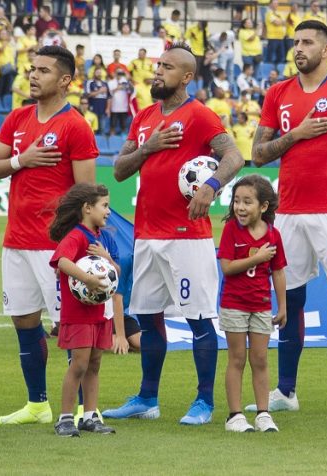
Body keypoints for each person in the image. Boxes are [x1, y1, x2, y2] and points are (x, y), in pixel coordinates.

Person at [104, 43, 244, 425]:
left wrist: (211, 185)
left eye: (166, 67)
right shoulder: (145, 117)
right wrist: (148, 148)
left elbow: (234, 156)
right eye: (157, 65)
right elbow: (119, 170)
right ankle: (147, 398)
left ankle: (204, 402)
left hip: (187, 237)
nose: (157, 72)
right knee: (148, 318)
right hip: (147, 235)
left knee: (199, 319)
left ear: (186, 77)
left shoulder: (199, 116)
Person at [248, 20, 327, 413]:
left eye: (307, 42)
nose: (298, 48)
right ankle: (286, 392)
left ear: (326, 49)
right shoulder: (277, 93)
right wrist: (298, 134)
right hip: (287, 213)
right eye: (295, 42)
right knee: (291, 301)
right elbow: (259, 153)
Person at [0, 45, 99, 426]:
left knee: (70, 328)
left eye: (43, 70)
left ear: (65, 80)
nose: (33, 76)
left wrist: (82, 244)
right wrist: (22, 160)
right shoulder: (17, 118)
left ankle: (84, 407)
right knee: (23, 322)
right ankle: (37, 405)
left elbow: (87, 194)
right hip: (15, 241)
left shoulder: (76, 126)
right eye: (31, 69)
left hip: (54, 247)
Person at [49, 183, 129, 437]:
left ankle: (90, 416)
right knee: (79, 364)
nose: (108, 211)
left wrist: (106, 258)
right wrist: (87, 278)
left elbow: (116, 272)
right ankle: (64, 418)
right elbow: (61, 261)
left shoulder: (105, 238)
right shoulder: (76, 236)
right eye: (104, 206)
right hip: (78, 314)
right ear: (87, 208)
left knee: (94, 364)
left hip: (100, 313)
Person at [219, 175, 288, 433]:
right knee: (236, 359)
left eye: (247, 202)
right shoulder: (230, 230)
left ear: (263, 206)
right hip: (234, 304)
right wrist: (257, 257)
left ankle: (263, 414)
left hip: (261, 305)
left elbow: (279, 272)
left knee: (260, 360)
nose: (240, 207)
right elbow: (226, 267)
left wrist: (282, 306)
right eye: (237, 201)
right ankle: (235, 416)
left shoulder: (274, 234)